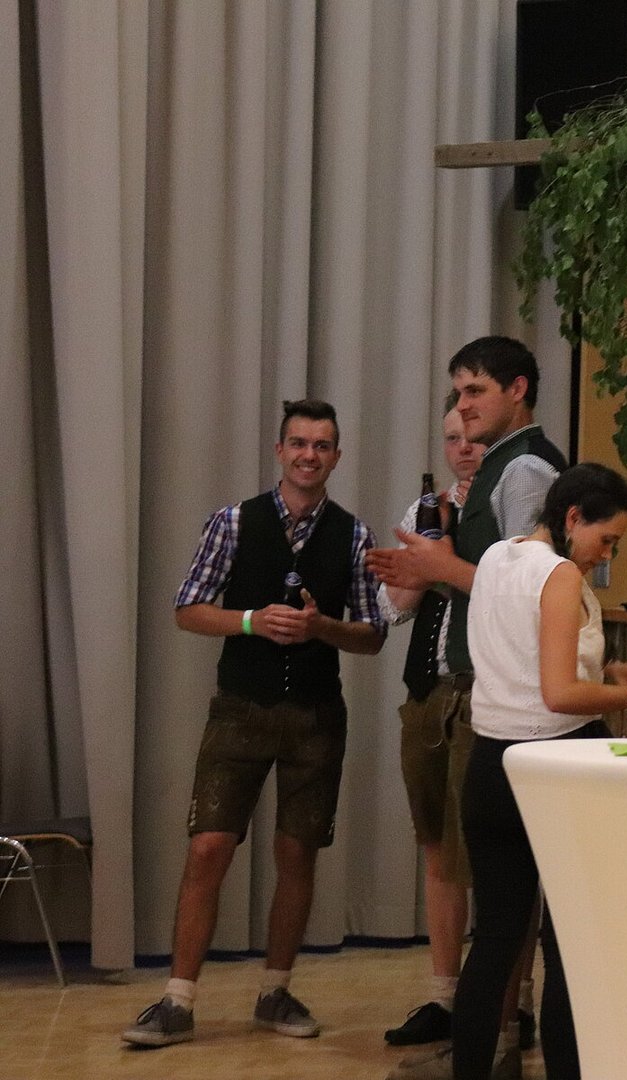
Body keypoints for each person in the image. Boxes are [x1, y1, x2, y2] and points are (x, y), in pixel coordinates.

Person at [122, 399, 385, 1048]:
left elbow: (373, 636)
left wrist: (322, 627)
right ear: (279, 450)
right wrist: (250, 621)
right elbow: (187, 609)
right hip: (239, 710)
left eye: (321, 445)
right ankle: (177, 1001)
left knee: (297, 855)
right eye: (298, 443)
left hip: (317, 717)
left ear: (336, 456)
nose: (308, 455)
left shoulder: (354, 535)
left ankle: (275, 992)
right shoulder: (233, 522)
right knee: (208, 848)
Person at [407, 464, 627, 1080]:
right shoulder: (558, 575)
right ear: (571, 517)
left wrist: (607, 674)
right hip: (557, 768)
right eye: (606, 540)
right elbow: (558, 694)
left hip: (491, 766)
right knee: (567, 946)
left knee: (495, 941)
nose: (606, 555)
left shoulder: (496, 560)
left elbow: (525, 665)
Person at [368, 336, 570, 1071]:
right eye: (457, 395)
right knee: (484, 880)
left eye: (475, 391)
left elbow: (529, 587)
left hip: (513, 705)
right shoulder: (498, 468)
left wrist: (437, 565)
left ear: (518, 390)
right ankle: (489, 1042)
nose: (463, 406)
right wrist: (425, 569)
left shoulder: (525, 469)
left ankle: (502, 1041)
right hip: (481, 696)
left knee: (503, 892)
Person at [378, 400, 486, 1047]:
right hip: (427, 693)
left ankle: (511, 1002)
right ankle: (444, 997)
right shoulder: (426, 511)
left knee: (491, 852)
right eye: (451, 438)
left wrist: (451, 564)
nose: (462, 447)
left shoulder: (505, 510)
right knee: (437, 847)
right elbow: (391, 608)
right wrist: (430, 558)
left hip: (485, 695)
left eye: (472, 436)